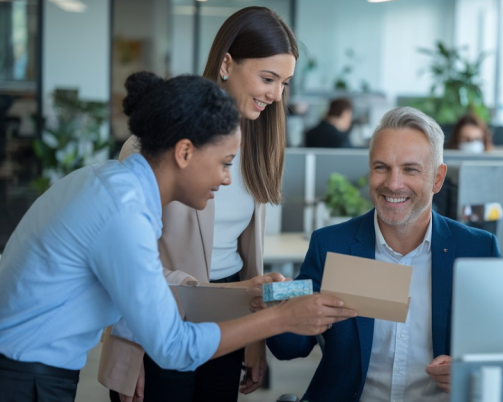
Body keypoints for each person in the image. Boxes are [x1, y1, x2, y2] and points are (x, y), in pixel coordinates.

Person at [0, 72, 356, 402]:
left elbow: (150, 289)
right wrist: (282, 319)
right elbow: (174, 347)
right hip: (22, 377)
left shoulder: (113, 185)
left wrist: (244, 290)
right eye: (225, 163)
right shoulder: (125, 213)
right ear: (185, 152)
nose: (228, 179)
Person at [100, 6, 301, 402]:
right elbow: (125, 261)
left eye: (284, 84)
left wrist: (255, 336)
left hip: (229, 310)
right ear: (227, 63)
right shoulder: (152, 144)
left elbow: (248, 257)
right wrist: (131, 347)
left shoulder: (259, 147)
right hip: (159, 312)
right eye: (267, 78)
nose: (276, 96)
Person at [267, 107, 502, 402]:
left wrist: (472, 371)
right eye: (381, 167)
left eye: (410, 169)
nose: (393, 183)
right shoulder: (331, 244)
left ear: (437, 179)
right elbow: (290, 347)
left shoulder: (477, 251)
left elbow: (501, 352)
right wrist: (275, 300)